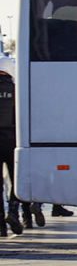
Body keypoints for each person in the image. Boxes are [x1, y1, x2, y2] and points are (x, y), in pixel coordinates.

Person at [0, 56, 16, 236]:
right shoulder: (16, 90)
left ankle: (1, 227)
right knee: (16, 182)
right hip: (13, 141)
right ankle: (13, 211)